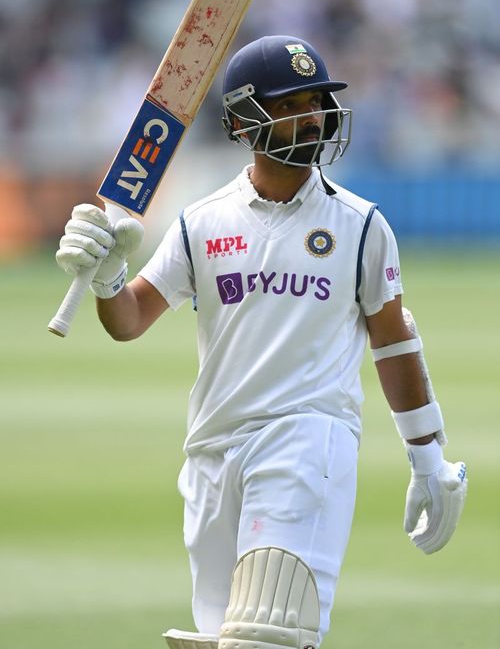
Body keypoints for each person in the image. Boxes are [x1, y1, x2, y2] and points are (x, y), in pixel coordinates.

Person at [56, 36, 467, 649]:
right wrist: (108, 275)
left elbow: (395, 341)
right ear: (246, 121)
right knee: (220, 637)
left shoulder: (359, 224)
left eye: (317, 101)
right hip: (213, 452)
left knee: (267, 634)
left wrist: (428, 459)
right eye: (292, 102)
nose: (312, 116)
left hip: (308, 438)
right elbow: (130, 319)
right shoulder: (203, 219)